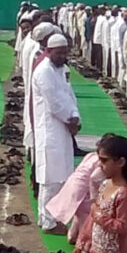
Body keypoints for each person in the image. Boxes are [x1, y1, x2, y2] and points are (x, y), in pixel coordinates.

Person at [32, 34, 81, 234]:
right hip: (50, 130)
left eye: (65, 52)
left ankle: (51, 217)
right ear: (49, 51)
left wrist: (75, 116)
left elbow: (69, 95)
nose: (62, 56)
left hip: (64, 128)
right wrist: (70, 120)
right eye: (59, 53)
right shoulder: (44, 71)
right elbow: (54, 103)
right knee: (49, 178)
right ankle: (48, 222)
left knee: (61, 176)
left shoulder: (61, 70)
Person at [46, 135, 110, 244]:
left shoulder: (90, 155)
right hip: (81, 191)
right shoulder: (101, 162)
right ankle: (81, 243)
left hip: (72, 184)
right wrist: (94, 198)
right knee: (85, 218)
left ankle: (72, 235)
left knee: (78, 213)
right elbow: (94, 178)